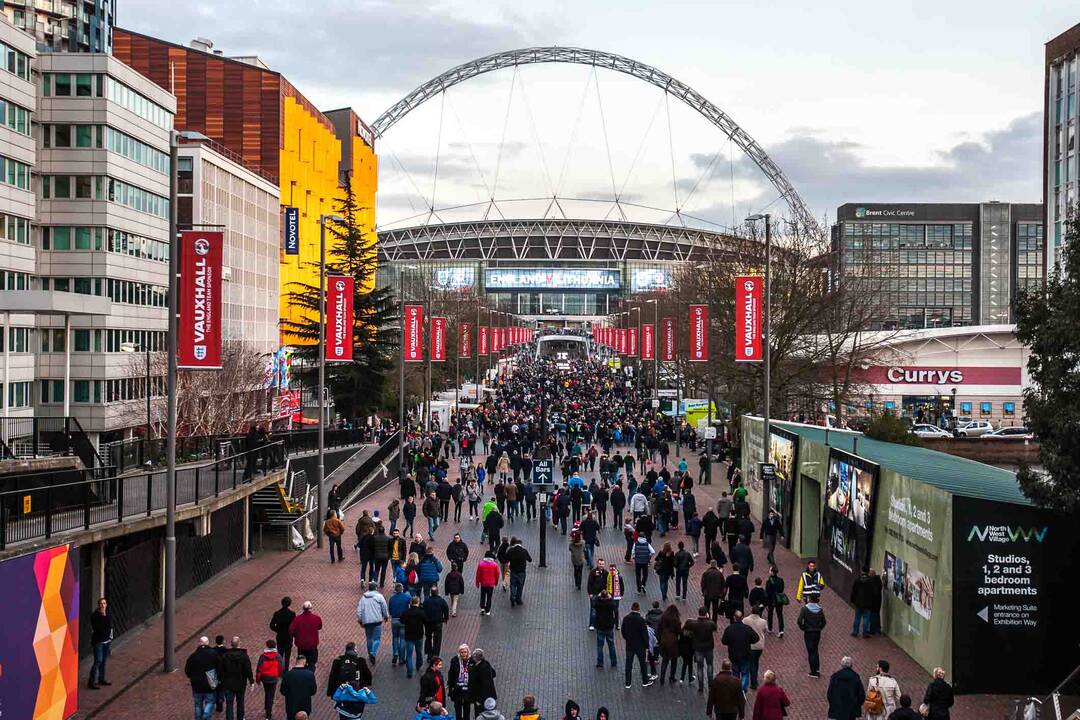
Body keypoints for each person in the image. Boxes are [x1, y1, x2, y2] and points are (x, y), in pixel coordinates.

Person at [720, 610, 760, 692]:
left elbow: (724, 641)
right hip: (745, 654)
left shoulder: (729, 629)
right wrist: (749, 641)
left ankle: (736, 687)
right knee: (745, 673)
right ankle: (743, 688)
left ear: (734, 618)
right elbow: (756, 638)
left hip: (733, 655)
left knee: (735, 672)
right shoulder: (747, 629)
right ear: (742, 618)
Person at [185, 636, 222, 720]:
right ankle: (206, 714)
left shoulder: (193, 656)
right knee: (210, 701)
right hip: (209, 684)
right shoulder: (213, 654)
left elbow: (187, 670)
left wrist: (192, 677)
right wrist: (218, 679)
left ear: (199, 643)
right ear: (208, 643)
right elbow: (219, 667)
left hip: (196, 685)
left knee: (198, 704)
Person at [620, 601, 654, 689]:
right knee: (642, 664)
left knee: (628, 664)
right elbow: (644, 634)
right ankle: (645, 681)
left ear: (631, 608)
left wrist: (627, 638)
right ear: (638, 609)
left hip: (630, 645)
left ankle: (628, 683)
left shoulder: (626, 618)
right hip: (640, 646)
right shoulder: (641, 620)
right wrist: (646, 645)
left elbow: (623, 631)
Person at [684, 607, 717, 693]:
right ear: (706, 613)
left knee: (699, 667)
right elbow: (714, 628)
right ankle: (710, 684)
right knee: (710, 665)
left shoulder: (694, 624)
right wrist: (708, 618)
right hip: (709, 647)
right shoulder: (711, 623)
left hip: (698, 648)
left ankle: (701, 686)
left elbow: (686, 630)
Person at [220, 636, 254, 720]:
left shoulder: (225, 656)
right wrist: (251, 681)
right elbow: (248, 670)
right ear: (239, 643)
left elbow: (221, 670)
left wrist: (222, 680)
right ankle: (240, 717)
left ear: (231, 644)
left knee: (229, 704)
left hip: (228, 684)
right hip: (240, 683)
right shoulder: (244, 656)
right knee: (240, 702)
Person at [356, 581, 390, 664]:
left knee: (369, 638)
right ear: (376, 588)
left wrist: (360, 620)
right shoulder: (379, 597)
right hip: (377, 620)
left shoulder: (363, 598)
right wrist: (386, 616)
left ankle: (369, 652)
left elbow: (359, 611)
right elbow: (384, 607)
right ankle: (373, 653)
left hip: (367, 621)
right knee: (377, 638)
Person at [279, 653, 317, 720]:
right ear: (304, 662)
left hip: (291, 706)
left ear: (296, 662)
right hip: (305, 706)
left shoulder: (288, 675)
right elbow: (313, 691)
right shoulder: (310, 674)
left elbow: (283, 691)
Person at [796, 596, 827, 677]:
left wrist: (803, 628)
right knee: (815, 650)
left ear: (809, 599)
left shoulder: (804, 609)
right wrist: (819, 628)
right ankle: (817, 668)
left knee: (811, 651)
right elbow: (824, 622)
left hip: (808, 632)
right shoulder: (820, 609)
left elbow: (799, 621)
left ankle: (813, 672)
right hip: (817, 633)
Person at [289, 600, 323, 672]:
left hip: (301, 645)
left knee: (301, 663)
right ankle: (310, 676)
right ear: (311, 608)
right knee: (311, 663)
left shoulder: (297, 619)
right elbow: (319, 626)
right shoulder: (316, 618)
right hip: (312, 645)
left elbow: (291, 630)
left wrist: (296, 636)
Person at [255, 639, 284, 720]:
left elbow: (259, 668)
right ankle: (268, 713)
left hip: (265, 678)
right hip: (274, 678)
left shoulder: (263, 656)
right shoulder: (277, 656)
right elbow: (281, 667)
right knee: (271, 695)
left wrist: (258, 679)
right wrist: (280, 675)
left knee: (267, 693)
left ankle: (266, 708)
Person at [88, 597, 113, 689]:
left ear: (106, 605)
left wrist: (110, 638)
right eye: (101, 604)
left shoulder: (109, 614)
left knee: (103, 661)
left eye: (104, 603)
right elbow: (97, 628)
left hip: (107, 641)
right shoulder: (95, 615)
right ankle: (91, 682)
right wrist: (102, 616)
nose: (103, 605)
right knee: (98, 660)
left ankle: (101, 679)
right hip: (98, 641)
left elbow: (110, 626)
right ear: (98, 605)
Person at [401, 596, 428, 678]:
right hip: (419, 635)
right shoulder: (421, 612)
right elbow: (426, 621)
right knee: (419, 651)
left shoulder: (406, 612)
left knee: (409, 654)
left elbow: (402, 620)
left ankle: (409, 671)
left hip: (409, 635)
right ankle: (419, 664)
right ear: (418, 602)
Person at [468, 648, 498, 719]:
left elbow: (483, 686)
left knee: (480, 714)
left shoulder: (480, 669)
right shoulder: (486, 663)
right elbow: (494, 673)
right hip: (491, 695)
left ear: (476, 658)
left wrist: (479, 700)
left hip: (482, 698)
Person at [657, 604, 683, 685]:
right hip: (673, 643)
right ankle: (672, 677)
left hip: (664, 641)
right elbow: (679, 632)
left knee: (665, 660)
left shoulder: (663, 618)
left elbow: (659, 629)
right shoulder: (676, 620)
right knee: (674, 661)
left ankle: (662, 677)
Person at [744, 605, 768, 690]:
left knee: (752, 663)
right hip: (759, 645)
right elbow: (765, 630)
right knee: (756, 662)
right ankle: (755, 679)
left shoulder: (746, 620)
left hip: (750, 645)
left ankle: (753, 682)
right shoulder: (763, 621)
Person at [850, 567, 879, 639]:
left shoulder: (858, 580)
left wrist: (853, 601)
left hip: (859, 603)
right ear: (868, 572)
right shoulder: (871, 582)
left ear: (861, 571)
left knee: (857, 618)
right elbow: (875, 592)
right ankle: (865, 633)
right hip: (868, 604)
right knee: (866, 619)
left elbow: (854, 591)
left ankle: (855, 632)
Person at [593, 589, 619, 669]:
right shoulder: (611, 603)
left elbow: (594, 602)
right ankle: (613, 662)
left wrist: (598, 596)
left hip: (600, 627)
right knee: (611, 645)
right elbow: (615, 609)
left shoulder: (598, 603)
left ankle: (600, 664)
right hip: (609, 627)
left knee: (600, 646)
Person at [269, 597, 296, 671]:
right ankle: (286, 670)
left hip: (280, 636)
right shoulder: (292, 614)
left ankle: (279, 669)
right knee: (287, 656)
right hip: (288, 637)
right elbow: (294, 626)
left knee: (280, 654)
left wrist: (277, 630)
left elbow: (271, 625)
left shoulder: (277, 613)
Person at [423, 587, 451, 658]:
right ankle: (436, 654)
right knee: (437, 639)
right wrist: (445, 618)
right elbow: (446, 609)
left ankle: (429, 653)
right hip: (438, 623)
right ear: (437, 592)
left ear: (431, 592)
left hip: (428, 623)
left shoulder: (426, 601)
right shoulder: (441, 601)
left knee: (428, 637)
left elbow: (423, 610)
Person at [505, 537, 533, 607]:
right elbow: (530, 559)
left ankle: (513, 596)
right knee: (520, 585)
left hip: (513, 571)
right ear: (521, 544)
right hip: (521, 571)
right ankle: (518, 599)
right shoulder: (524, 551)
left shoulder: (511, 550)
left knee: (513, 584)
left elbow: (506, 559)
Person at [389, 582, 412, 666]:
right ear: (402, 589)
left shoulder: (392, 598)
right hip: (404, 620)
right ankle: (402, 658)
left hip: (394, 620)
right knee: (403, 639)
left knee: (395, 637)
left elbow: (390, 609)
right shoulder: (407, 597)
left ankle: (395, 653)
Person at [448, 644, 473, 720]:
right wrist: (450, 687)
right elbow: (451, 674)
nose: (463, 654)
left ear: (468, 652)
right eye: (461, 652)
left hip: (467, 689)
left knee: (467, 709)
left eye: (465, 652)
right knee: (458, 709)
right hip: (457, 689)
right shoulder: (455, 660)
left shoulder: (472, 661)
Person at [764, 565, 787, 638]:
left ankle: (770, 628)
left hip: (771, 600)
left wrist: (767, 602)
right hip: (779, 599)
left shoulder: (769, 581)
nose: (769, 571)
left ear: (772, 572)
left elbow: (767, 592)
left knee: (770, 614)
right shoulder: (781, 580)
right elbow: (782, 588)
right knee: (780, 614)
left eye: (770, 570)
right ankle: (781, 630)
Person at [475, 551, 500, 616]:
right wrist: (496, 582)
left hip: (483, 583)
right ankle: (488, 610)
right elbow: (497, 574)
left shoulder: (481, 564)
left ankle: (482, 607)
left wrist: (477, 582)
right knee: (489, 597)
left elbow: (478, 574)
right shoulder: (494, 565)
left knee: (482, 595)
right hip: (491, 584)